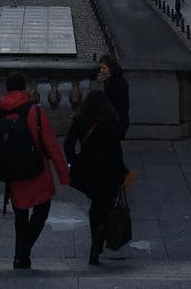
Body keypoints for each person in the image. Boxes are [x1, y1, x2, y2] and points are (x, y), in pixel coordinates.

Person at [0, 73, 70, 270]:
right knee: (41, 212)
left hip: (13, 174)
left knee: (20, 217)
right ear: (25, 88)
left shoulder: (1, 112)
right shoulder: (34, 112)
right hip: (36, 171)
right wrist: (64, 173)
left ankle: (21, 257)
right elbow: (51, 145)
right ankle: (22, 253)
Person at [64, 91, 126, 266]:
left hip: (88, 169)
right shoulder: (111, 121)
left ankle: (96, 243)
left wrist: (74, 161)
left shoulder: (80, 120)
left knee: (96, 205)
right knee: (104, 206)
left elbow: (68, 144)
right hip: (110, 169)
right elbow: (116, 149)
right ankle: (98, 242)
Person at [96, 54, 129, 140]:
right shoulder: (112, 81)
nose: (101, 71)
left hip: (115, 125)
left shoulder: (117, 85)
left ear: (111, 68)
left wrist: (99, 84)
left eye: (103, 68)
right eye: (101, 68)